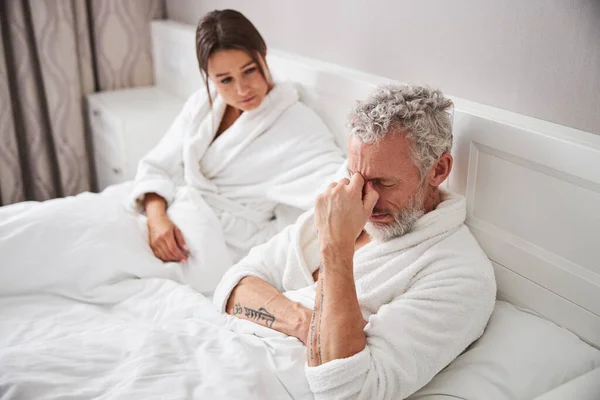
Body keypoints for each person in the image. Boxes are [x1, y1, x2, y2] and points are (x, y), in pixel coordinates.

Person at [0, 10, 343, 300]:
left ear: (262, 55)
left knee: (74, 245)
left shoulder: (298, 126)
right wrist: (157, 217)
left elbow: (337, 192)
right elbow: (156, 165)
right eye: (224, 79)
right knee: (46, 222)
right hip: (161, 213)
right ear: (208, 78)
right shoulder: (203, 105)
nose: (241, 89)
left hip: (202, 242)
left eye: (249, 71)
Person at [213, 84, 497, 399]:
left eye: (383, 182)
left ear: (438, 170)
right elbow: (232, 285)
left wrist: (336, 250)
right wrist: (300, 321)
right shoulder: (347, 201)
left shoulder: (459, 274)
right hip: (221, 355)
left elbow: (348, 392)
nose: (364, 197)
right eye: (355, 175)